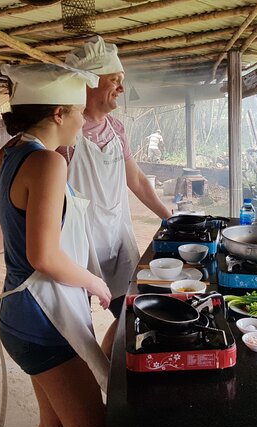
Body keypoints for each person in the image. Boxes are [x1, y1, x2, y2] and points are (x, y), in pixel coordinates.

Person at [0, 62, 110, 427]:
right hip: (42, 318)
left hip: (20, 313)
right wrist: (95, 281)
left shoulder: (14, 152)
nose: (82, 122)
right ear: (58, 113)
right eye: (78, 112)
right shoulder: (48, 161)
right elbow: (43, 255)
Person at [63, 36, 173, 356]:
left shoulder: (116, 129)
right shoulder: (64, 130)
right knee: (75, 325)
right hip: (78, 247)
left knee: (130, 315)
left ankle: (111, 371)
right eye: (115, 81)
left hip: (117, 237)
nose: (122, 89)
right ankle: (88, 380)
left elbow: (136, 179)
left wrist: (169, 216)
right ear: (89, 82)